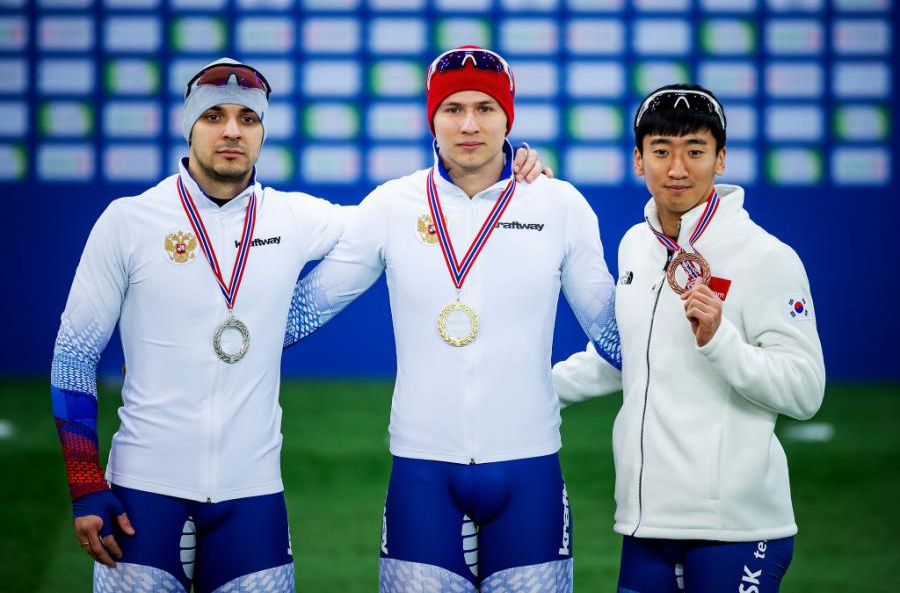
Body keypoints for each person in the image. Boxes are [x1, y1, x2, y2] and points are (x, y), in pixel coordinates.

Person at [49, 55, 549, 592]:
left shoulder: (295, 218)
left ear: (263, 132)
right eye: (214, 116)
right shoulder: (128, 221)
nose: (231, 132)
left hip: (253, 494)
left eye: (248, 119)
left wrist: (512, 178)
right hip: (141, 489)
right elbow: (74, 356)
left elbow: (418, 215)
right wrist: (84, 481)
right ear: (188, 126)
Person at [283, 46, 620, 592]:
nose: (469, 124)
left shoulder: (559, 206)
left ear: (508, 118)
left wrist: (696, 324)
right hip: (423, 473)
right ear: (431, 119)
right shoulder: (392, 206)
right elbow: (301, 313)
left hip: (528, 469)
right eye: (453, 108)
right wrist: (191, 350)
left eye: (486, 109)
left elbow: (614, 336)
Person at [551, 84, 826, 592]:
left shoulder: (768, 257)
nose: (677, 168)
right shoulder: (636, 245)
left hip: (737, 530)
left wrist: (721, 340)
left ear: (721, 159)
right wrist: (534, 392)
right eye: (661, 151)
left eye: (695, 151)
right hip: (646, 524)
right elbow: (624, 355)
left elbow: (806, 390)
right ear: (639, 160)